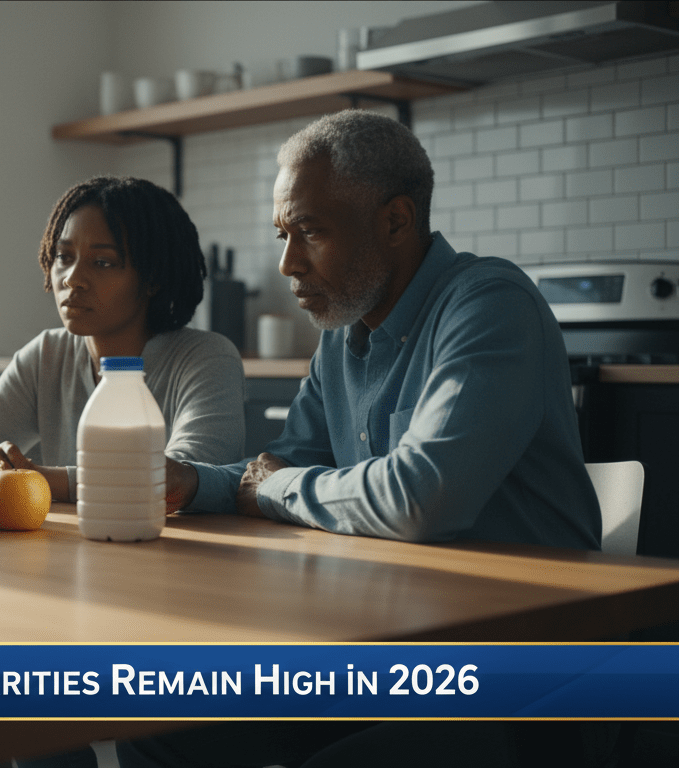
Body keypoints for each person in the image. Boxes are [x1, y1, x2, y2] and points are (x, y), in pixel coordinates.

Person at [122, 110, 607, 768]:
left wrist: (274, 488)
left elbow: (419, 497)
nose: (288, 263)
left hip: (513, 677)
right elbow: (285, 464)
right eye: (282, 235)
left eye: (310, 231)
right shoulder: (341, 337)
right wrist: (196, 481)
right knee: (158, 723)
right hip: (389, 650)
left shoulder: (490, 304)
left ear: (396, 221)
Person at [0, 175, 245, 503]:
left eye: (102, 262)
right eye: (63, 257)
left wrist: (33, 479)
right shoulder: (46, 354)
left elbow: (177, 477)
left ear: (152, 277)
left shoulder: (208, 358)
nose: (72, 279)